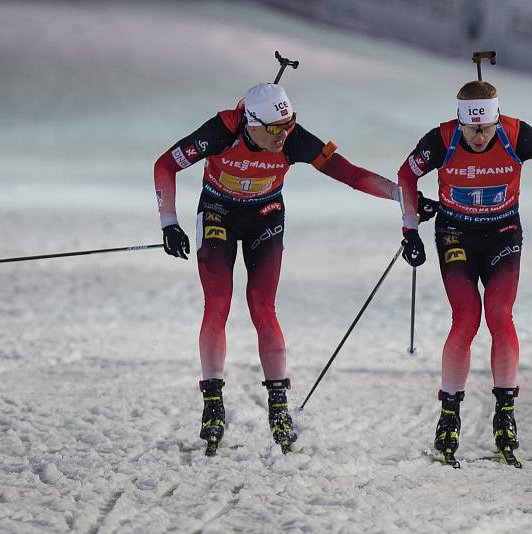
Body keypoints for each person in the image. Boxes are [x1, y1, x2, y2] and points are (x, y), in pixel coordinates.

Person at [153, 83, 400, 455]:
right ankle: (213, 404)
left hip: (265, 214)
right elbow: (165, 164)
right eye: (273, 129)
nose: (282, 135)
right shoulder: (222, 130)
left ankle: (279, 405)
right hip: (218, 211)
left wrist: (402, 196)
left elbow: (350, 174)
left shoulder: (293, 139)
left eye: (288, 125)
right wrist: (169, 222)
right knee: (217, 303)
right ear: (250, 123)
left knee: (263, 307)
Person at [397, 80, 532, 465]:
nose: (478, 137)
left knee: (499, 315)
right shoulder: (442, 139)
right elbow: (406, 175)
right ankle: (449, 415)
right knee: (465, 319)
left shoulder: (517, 134)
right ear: (460, 122)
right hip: (454, 233)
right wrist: (410, 229)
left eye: (485, 129)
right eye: (470, 129)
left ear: (495, 120)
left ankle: (505, 412)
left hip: (502, 234)